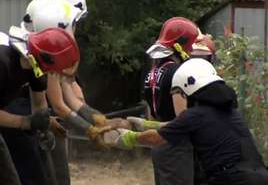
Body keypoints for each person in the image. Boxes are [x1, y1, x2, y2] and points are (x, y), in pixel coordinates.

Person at [105, 58, 268, 185]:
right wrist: (145, 124)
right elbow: (178, 127)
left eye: (179, 93)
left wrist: (126, 137)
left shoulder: (195, 115)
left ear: (188, 88)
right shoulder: (230, 113)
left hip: (232, 179)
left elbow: (157, 138)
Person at [0, 26, 80, 185]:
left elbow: (39, 104)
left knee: (10, 180)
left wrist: (43, 127)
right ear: (47, 59)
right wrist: (26, 122)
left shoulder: (35, 70)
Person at [127, 17, 199, 185]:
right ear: (182, 45)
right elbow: (183, 118)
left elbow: (151, 115)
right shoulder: (179, 73)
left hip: (159, 143)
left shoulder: (151, 72)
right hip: (176, 145)